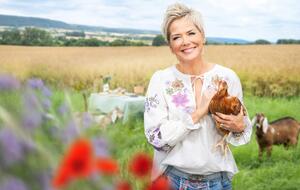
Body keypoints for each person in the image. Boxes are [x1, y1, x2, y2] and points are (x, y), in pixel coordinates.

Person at [144, 3, 252, 190]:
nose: (185, 41)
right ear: (170, 46)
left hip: (219, 182)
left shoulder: (227, 77)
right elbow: (155, 138)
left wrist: (240, 126)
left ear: (203, 36)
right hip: (171, 180)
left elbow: (242, 130)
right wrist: (198, 112)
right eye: (177, 37)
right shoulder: (161, 80)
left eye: (191, 33)